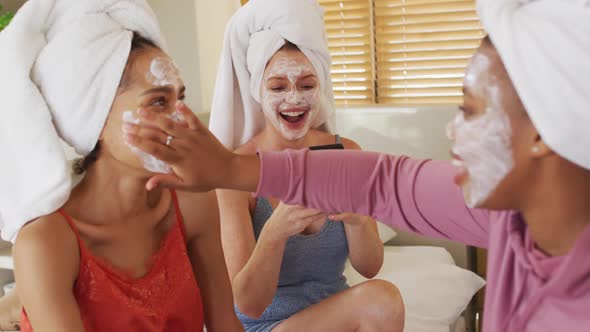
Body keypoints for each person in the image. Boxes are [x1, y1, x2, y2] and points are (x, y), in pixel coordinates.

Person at [124, 0, 590, 331]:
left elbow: (372, 242)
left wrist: (359, 218)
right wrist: (233, 175)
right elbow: (383, 180)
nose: (451, 133)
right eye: (279, 85)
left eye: (469, 111)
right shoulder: (510, 221)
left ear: (543, 135)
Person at [0, 1, 241, 331]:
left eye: (180, 98)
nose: (183, 119)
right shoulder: (45, 243)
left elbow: (227, 326)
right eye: (158, 101)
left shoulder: (193, 203)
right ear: (94, 119)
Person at [208, 1, 403, 331]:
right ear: (258, 89)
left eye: (307, 85)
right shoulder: (236, 172)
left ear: (322, 87)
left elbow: (369, 268)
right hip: (267, 325)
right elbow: (248, 305)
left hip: (337, 320)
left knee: (382, 299)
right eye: (278, 86)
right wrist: (275, 232)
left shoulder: (347, 155)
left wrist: (358, 220)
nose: (294, 99)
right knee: (381, 301)